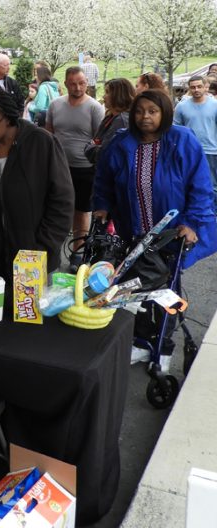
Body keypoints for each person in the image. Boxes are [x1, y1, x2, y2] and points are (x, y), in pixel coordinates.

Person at [93, 90, 217, 371]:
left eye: (152, 111)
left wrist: (192, 223)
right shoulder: (122, 142)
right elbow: (104, 179)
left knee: (167, 290)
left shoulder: (182, 140)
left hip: (169, 235)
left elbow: (201, 188)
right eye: (139, 111)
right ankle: (139, 342)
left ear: (164, 113)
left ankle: (164, 347)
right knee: (132, 290)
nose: (145, 117)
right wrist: (101, 206)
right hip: (133, 232)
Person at [0, 88, 74, 275]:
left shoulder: (41, 143)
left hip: (38, 262)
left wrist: (41, 248)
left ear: (8, 118)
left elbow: (62, 201)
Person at [46, 66, 104, 269]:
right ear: (66, 84)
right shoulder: (55, 105)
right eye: (73, 83)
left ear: (86, 83)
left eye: (81, 83)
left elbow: (100, 138)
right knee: (57, 209)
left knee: (81, 211)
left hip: (85, 168)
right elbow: (49, 133)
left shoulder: (95, 107)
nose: (78, 87)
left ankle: (78, 253)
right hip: (59, 166)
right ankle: (53, 249)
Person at [174, 75, 217, 206]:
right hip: (189, 151)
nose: (196, 89)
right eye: (193, 87)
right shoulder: (181, 106)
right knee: (190, 183)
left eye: (199, 86)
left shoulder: (215, 105)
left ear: (206, 87)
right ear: (189, 89)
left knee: (212, 184)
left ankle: (212, 212)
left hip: (211, 150)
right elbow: (176, 129)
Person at [85, 78, 136, 165]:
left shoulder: (122, 121)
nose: (104, 96)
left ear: (119, 95)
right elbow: (96, 141)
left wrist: (90, 147)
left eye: (107, 92)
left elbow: (104, 154)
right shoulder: (110, 116)